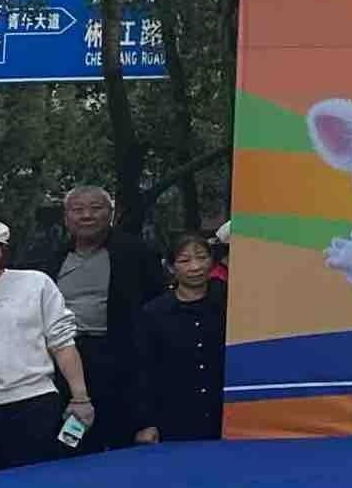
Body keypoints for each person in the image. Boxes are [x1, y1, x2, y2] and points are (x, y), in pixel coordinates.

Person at [0, 214, 91, 474]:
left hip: (35, 403)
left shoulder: (35, 283)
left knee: (40, 482)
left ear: (1, 250)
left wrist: (80, 398)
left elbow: (62, 343)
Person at [23, 187, 160, 454]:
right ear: (66, 217)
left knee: (124, 438)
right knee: (71, 438)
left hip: (119, 356)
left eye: (96, 208)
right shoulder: (50, 256)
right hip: (65, 357)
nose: (87, 215)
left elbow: (154, 299)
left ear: (111, 213)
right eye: (78, 210)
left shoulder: (135, 251)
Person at [122, 230, 229, 445]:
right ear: (170, 267)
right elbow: (142, 371)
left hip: (225, 416)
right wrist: (146, 423)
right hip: (175, 418)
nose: (195, 267)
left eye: (202, 257)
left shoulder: (229, 301)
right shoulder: (154, 313)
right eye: (185, 260)